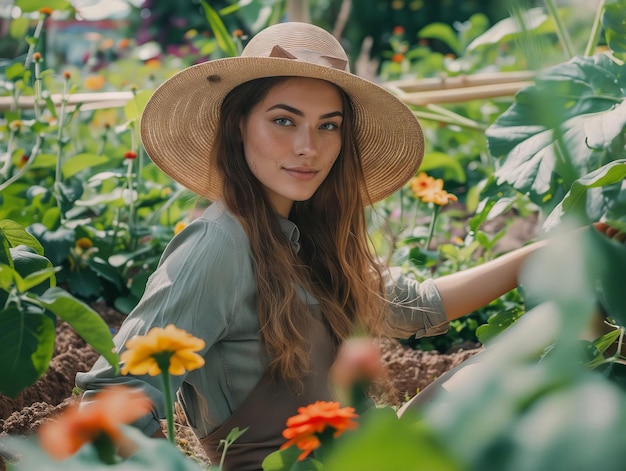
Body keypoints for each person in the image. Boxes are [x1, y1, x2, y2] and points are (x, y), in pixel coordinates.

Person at [74, 21, 595, 470]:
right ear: (238, 128)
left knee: (543, 348)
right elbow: (109, 396)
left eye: (329, 126)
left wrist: (557, 250)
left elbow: (414, 307)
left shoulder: (303, 238)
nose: (309, 147)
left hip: (359, 453)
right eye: (284, 121)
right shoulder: (219, 242)